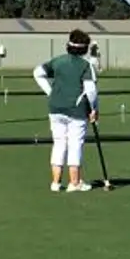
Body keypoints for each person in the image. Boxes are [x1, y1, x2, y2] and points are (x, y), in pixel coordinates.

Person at [33, 29, 101, 192]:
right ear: (84, 48)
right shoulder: (86, 66)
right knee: (75, 143)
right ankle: (74, 183)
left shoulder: (58, 61)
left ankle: (55, 183)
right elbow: (91, 90)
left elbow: (37, 73)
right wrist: (94, 109)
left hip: (55, 108)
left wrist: (51, 93)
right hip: (77, 110)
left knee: (59, 143)